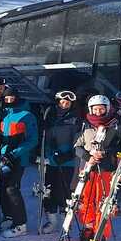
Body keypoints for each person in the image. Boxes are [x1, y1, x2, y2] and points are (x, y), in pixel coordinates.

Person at [72, 94, 121, 241]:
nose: (98, 112)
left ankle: (101, 231)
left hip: (106, 168)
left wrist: (106, 153)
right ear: (90, 109)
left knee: (102, 200)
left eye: (101, 109)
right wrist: (88, 157)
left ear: (107, 109)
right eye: (95, 109)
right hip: (88, 167)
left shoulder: (114, 126)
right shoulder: (86, 125)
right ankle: (88, 226)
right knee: (86, 198)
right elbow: (77, 146)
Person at [0, 86, 38, 238]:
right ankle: (9, 216)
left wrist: (14, 154)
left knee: (11, 188)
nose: (9, 101)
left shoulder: (27, 115)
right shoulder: (4, 114)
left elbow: (32, 140)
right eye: (6, 98)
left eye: (11, 98)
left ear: (17, 98)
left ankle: (20, 224)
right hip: (3, 157)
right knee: (2, 187)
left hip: (18, 158)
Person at [40, 90, 81, 233]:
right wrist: (49, 153)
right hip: (52, 160)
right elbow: (46, 139)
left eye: (67, 103)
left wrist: (68, 155)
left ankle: (66, 221)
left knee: (64, 191)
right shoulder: (50, 117)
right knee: (48, 190)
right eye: (62, 102)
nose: (64, 105)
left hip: (67, 161)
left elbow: (78, 140)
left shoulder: (75, 119)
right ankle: (51, 221)